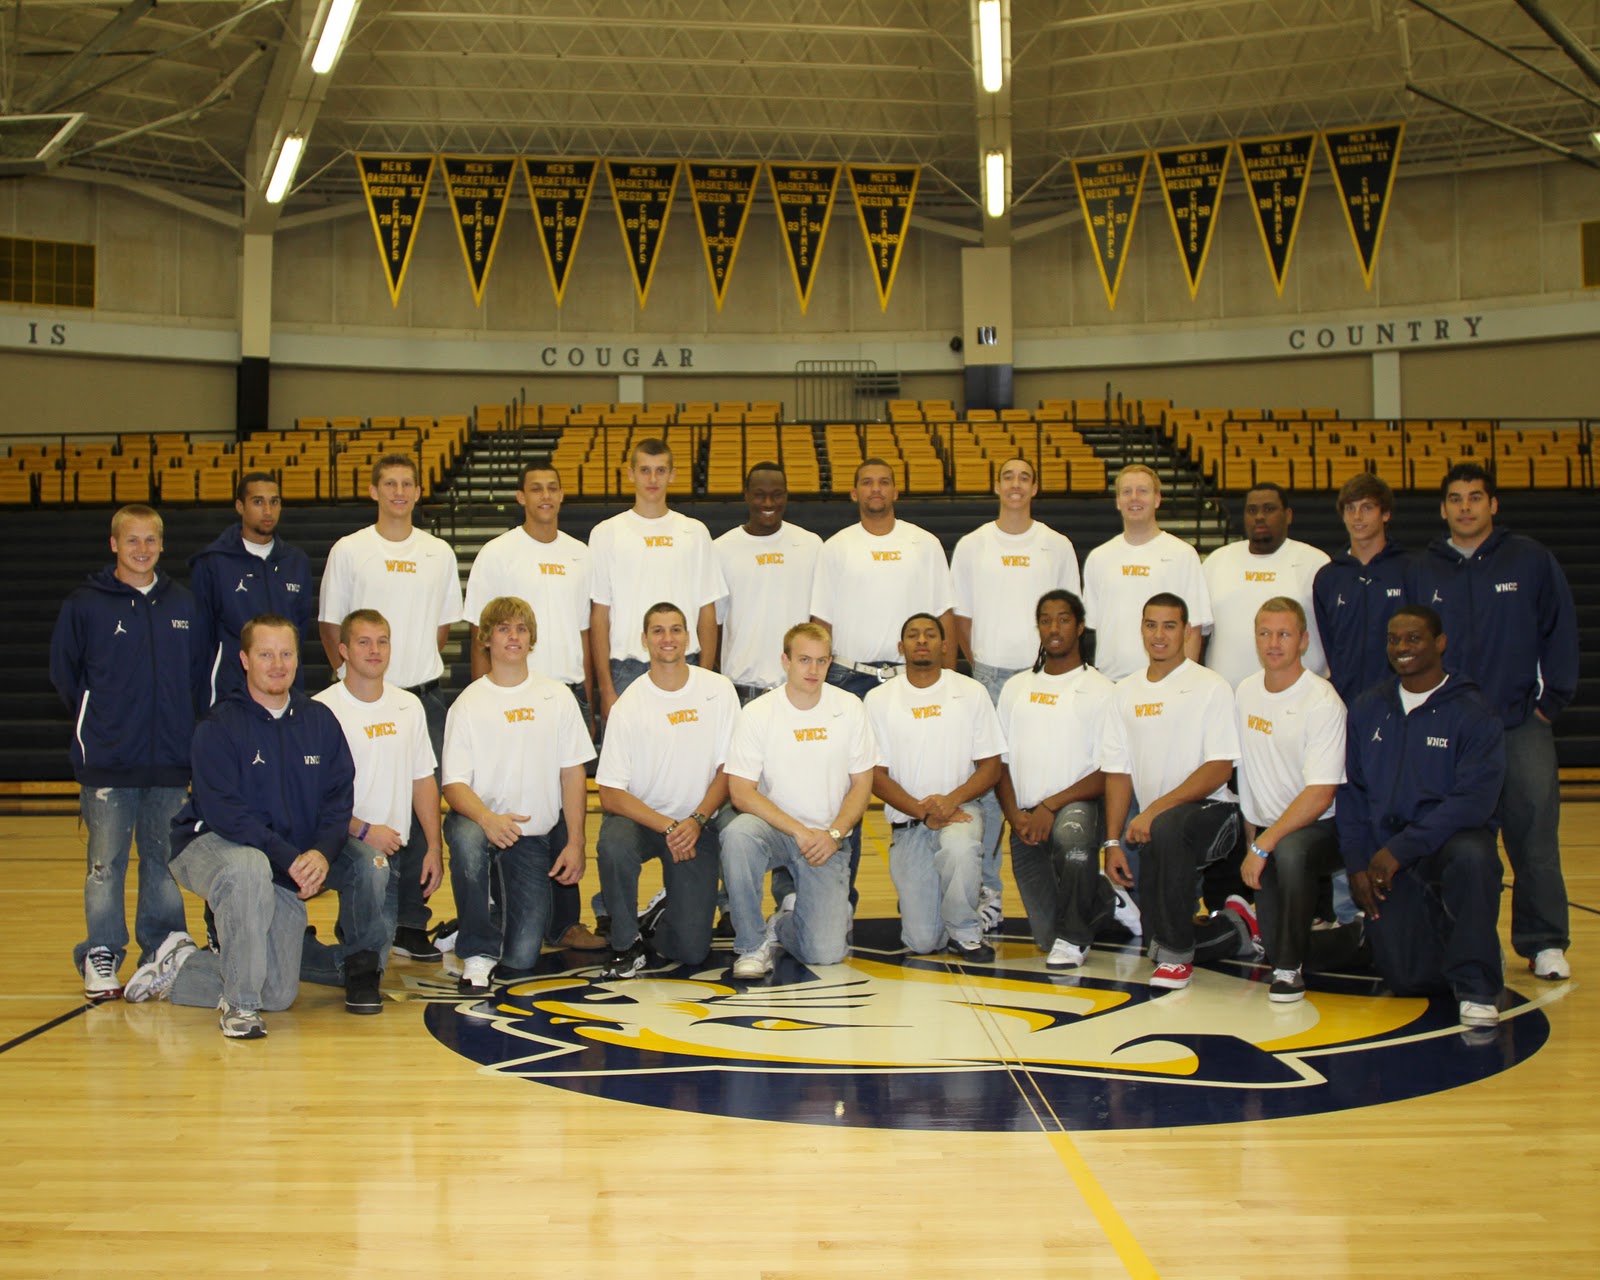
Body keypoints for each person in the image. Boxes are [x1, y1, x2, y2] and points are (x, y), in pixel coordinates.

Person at [123, 614, 355, 1040]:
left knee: (280, 991)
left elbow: (338, 799)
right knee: (248, 866)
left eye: (286, 654)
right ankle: (240, 1008)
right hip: (208, 843)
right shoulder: (220, 725)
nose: (277, 664)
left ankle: (183, 966)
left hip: (280, 862)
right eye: (265, 654)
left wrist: (321, 852)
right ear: (245, 659)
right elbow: (224, 811)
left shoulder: (319, 721)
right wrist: (290, 858)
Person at [1406, 462, 1578, 982]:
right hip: (1452, 731)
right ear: (1443, 509)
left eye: (1475, 498)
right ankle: (1476, 943)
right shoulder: (1424, 568)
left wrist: (1551, 703)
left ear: (1492, 505)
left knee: (1534, 839)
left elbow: (1560, 630)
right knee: (1463, 845)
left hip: (1518, 723)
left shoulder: (1530, 560)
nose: (1465, 507)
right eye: (1455, 499)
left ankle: (1543, 940)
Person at [49, 504, 204, 1001]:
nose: (142, 549)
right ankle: (102, 951)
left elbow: (198, 677)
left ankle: (161, 947)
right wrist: (105, 723)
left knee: (163, 861)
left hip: (169, 763)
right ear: (114, 544)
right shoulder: (85, 604)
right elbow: (65, 674)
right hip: (109, 761)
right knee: (106, 863)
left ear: (162, 544)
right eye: (131, 540)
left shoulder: (185, 604)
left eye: (150, 540)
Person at [319, 453, 462, 962]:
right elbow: (333, 625)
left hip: (420, 699)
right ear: (374, 491)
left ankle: (410, 922)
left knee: (422, 808)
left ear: (419, 492)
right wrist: (357, 683)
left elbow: (441, 629)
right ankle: (359, 917)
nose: (399, 491)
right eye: (390, 484)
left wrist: (407, 679)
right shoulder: (350, 550)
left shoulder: (439, 552)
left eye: (408, 484)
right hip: (359, 699)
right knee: (364, 810)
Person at [1339, 605, 1506, 1027]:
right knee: (1407, 979)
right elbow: (1353, 792)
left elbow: (1474, 800)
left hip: (1445, 844)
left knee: (1476, 855)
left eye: (1414, 638)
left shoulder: (1473, 711)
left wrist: (1402, 848)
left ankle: (1478, 982)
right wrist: (1357, 863)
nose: (1402, 648)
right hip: (1385, 855)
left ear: (1440, 643)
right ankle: (1465, 937)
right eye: (1394, 639)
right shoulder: (1367, 707)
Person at [460, 460, 604, 951]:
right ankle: (506, 912)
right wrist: (491, 695)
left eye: (553, 488)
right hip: (508, 689)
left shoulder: (582, 555)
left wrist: (589, 691)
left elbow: (587, 631)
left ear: (562, 496)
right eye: (535, 489)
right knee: (505, 801)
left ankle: (566, 922)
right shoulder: (497, 553)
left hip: (562, 691)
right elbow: (479, 634)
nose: (545, 495)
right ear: (521, 497)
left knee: (564, 809)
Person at [810, 457, 955, 899]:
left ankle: (929, 891)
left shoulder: (924, 544)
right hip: (848, 678)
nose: (876, 489)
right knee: (838, 789)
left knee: (924, 778)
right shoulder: (835, 548)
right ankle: (837, 899)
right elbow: (821, 621)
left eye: (884, 482)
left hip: (910, 682)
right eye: (866, 483)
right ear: (853, 493)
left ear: (896, 491)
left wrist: (946, 681)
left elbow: (944, 613)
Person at [1100, 594, 1259, 989]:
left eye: (1169, 626)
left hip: (1216, 815)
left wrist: (1154, 810)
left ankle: (1176, 960)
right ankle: (1238, 931)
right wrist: (1111, 841)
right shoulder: (1124, 692)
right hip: (1157, 826)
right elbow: (1118, 773)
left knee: (1168, 827)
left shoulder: (1211, 686)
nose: (1159, 635)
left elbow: (1221, 766)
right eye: (1151, 625)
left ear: (1187, 631)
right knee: (1155, 937)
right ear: (1141, 628)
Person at [951, 456, 1081, 932]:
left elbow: (1067, 613)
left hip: (1043, 678)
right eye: (1008, 476)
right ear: (997, 486)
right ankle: (987, 892)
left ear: (1035, 487)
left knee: (1040, 776)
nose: (1016, 484)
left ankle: (1067, 887)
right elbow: (960, 615)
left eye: (1025, 477)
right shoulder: (972, 545)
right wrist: (979, 663)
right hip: (987, 676)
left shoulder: (1056, 545)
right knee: (987, 788)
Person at [440, 596, 592, 995]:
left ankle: (480, 916)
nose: (514, 636)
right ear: (486, 638)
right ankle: (476, 949)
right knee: (468, 841)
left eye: (522, 629)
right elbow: (453, 784)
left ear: (532, 639)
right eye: (504, 628)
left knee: (523, 956)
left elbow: (573, 773)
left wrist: (576, 841)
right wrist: (488, 819)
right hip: (480, 821)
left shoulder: (556, 697)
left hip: (531, 837)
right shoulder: (468, 704)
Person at [721, 623, 876, 977]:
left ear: (830, 662)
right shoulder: (758, 713)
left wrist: (834, 834)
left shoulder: (850, 708)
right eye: (804, 659)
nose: (813, 670)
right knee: (737, 836)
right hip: (775, 830)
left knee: (825, 952)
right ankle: (751, 944)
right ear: (785, 661)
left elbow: (862, 786)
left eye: (822, 661)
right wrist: (799, 831)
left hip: (827, 839)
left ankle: (784, 923)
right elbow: (740, 793)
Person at [307, 609, 442, 1013]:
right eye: (363, 642)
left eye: (382, 641)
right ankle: (349, 954)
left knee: (375, 963)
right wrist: (364, 831)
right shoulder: (320, 709)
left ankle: (321, 951)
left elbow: (423, 780)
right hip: (335, 839)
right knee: (371, 866)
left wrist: (434, 847)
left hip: (391, 848)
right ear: (343, 650)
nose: (374, 650)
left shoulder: (408, 706)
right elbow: (309, 796)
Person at [595, 603, 737, 978]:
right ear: (644, 640)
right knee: (612, 844)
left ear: (688, 637)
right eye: (657, 631)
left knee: (691, 952)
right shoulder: (629, 705)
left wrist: (695, 819)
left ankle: (659, 918)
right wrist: (669, 826)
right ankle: (626, 944)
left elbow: (729, 769)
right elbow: (609, 794)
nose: (667, 638)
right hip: (644, 822)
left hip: (697, 825)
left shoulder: (718, 690)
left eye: (675, 629)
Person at [995, 590, 1131, 969]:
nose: (1054, 628)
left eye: (1063, 619)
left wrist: (1050, 805)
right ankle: (1104, 897)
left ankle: (1075, 938)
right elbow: (999, 764)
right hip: (1026, 819)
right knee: (1043, 936)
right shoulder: (1016, 688)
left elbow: (1110, 770)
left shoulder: (1103, 690)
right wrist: (1014, 816)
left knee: (1072, 838)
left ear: (1081, 626)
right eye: (1045, 619)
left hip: (1077, 809)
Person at [864, 613, 1006, 962]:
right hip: (910, 822)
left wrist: (950, 801)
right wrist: (921, 810)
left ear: (945, 645)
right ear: (901, 647)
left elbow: (992, 767)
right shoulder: (879, 700)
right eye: (913, 635)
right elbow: (874, 774)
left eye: (930, 634)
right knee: (923, 942)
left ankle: (965, 930)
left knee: (960, 850)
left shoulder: (970, 692)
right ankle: (930, 896)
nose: (922, 640)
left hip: (960, 811)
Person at [1235, 598, 1350, 1002]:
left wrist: (1262, 845)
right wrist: (1253, 836)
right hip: (1269, 830)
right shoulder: (1246, 691)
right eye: (1265, 633)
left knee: (1290, 853)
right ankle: (1333, 941)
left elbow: (1320, 792)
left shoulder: (1321, 701)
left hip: (1322, 827)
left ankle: (1290, 970)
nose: (1274, 643)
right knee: (1275, 933)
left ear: (1303, 641)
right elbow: (1247, 770)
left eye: (1284, 634)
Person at [589, 437, 725, 718]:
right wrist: (606, 688)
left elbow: (707, 612)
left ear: (672, 475)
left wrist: (704, 676)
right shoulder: (606, 533)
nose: (653, 478)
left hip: (685, 666)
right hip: (625, 670)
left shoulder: (695, 532)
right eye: (645, 470)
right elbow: (599, 614)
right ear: (630, 474)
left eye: (661, 470)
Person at [189, 472, 316, 705]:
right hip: (230, 692)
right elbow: (200, 639)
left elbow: (300, 629)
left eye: (274, 502)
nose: (267, 511)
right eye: (258, 502)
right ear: (240, 506)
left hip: (284, 690)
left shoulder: (296, 561)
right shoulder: (212, 562)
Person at [1081, 465, 1211, 681]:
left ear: (1157, 499)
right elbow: (1092, 626)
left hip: (1165, 680)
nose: (1134, 498)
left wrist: (1183, 683)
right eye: (1126, 492)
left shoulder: (1182, 554)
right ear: (1117, 501)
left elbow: (1193, 628)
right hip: (1111, 682)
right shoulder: (1099, 557)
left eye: (1142, 491)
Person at [714, 462, 822, 705]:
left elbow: (821, 617)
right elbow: (715, 623)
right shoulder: (721, 549)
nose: (768, 504)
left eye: (777, 495)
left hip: (799, 689)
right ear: (746, 495)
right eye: (760, 495)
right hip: (740, 690)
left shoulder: (811, 546)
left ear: (786, 495)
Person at [1201, 483, 1329, 688]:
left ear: (1288, 515)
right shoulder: (1217, 561)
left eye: (1269, 509)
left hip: (1299, 698)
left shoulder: (1315, 563)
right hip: (1227, 699)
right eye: (1252, 510)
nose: (1259, 516)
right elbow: (1196, 633)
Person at [1312, 472, 1410, 707]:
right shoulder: (1328, 578)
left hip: (1400, 702)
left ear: (1385, 513)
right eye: (1350, 508)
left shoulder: (1410, 570)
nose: (1357, 516)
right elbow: (1330, 644)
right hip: (1346, 702)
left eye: (1367, 508)